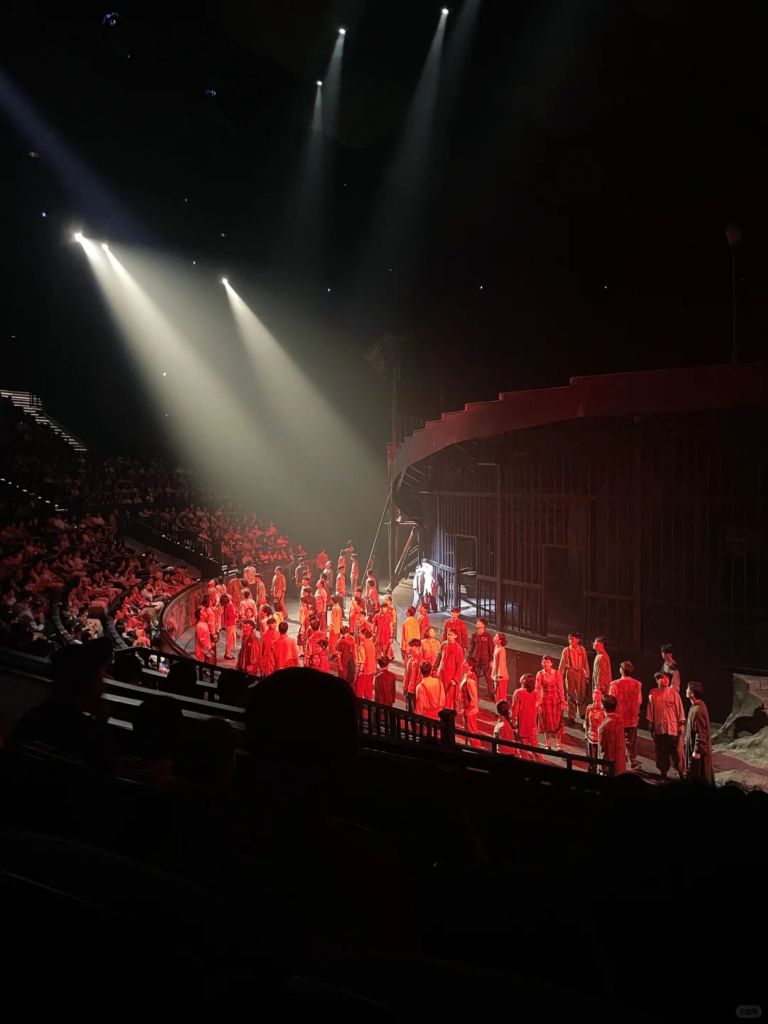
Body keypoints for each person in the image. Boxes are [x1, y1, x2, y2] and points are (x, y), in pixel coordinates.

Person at [11, 639, 114, 768]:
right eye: (99, 676)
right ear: (88, 682)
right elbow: (104, 771)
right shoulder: (89, 735)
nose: (103, 685)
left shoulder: (33, 716)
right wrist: (101, 723)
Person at [647, 670, 686, 780]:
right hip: (660, 729)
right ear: (657, 680)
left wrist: (681, 724)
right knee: (661, 753)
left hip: (673, 729)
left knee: (677, 753)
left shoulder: (674, 693)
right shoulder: (652, 693)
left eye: (667, 678)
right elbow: (650, 709)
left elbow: (680, 710)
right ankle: (663, 773)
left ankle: (682, 773)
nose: (666, 680)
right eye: (663, 678)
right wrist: (650, 723)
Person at [610, 660, 643, 771]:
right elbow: (639, 701)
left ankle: (616, 762)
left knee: (617, 741)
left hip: (618, 717)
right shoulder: (637, 684)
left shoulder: (614, 684)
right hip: (632, 717)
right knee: (631, 742)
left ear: (621, 670)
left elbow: (611, 702)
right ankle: (632, 762)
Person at [684, 681, 715, 784]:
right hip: (693, 746)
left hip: (698, 751)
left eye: (688, 689)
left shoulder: (698, 710)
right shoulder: (696, 706)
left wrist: (696, 752)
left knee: (698, 777)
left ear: (692, 693)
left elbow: (701, 733)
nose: (686, 690)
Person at [536, 655, 566, 751]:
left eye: (548, 662)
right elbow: (538, 690)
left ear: (551, 663)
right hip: (545, 700)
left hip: (556, 700)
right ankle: (548, 743)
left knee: (558, 722)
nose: (546, 664)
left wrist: (563, 701)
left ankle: (559, 744)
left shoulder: (557, 674)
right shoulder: (540, 674)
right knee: (546, 722)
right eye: (544, 662)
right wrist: (538, 704)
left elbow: (561, 688)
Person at [559, 632, 590, 721]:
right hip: (571, 672)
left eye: (572, 639)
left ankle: (582, 712)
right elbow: (562, 664)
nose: (570, 641)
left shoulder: (582, 649)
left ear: (577, 640)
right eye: (569, 639)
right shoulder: (566, 650)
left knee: (581, 693)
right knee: (570, 694)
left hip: (580, 672)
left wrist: (587, 675)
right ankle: (571, 715)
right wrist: (559, 676)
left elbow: (585, 663)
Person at [510, 673, 540, 760]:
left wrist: (513, 723)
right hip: (532, 725)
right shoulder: (535, 693)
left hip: (523, 726)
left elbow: (515, 710)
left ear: (524, 680)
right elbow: (537, 708)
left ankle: (526, 766)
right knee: (536, 749)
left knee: (523, 751)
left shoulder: (518, 693)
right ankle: (540, 763)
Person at [597, 693, 626, 776]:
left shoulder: (606, 725)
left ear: (603, 706)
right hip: (620, 763)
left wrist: (603, 768)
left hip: (610, 768)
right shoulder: (618, 720)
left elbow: (606, 749)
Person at [437, 627, 464, 713]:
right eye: (448, 634)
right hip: (441, 674)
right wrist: (434, 670)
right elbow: (438, 658)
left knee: (449, 697)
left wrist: (455, 679)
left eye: (451, 635)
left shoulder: (458, 649)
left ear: (455, 636)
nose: (449, 636)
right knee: (440, 693)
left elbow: (460, 665)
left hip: (450, 676)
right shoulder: (443, 644)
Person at [468, 618, 495, 698]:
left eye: (479, 622)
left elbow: (491, 649)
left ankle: (491, 693)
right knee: (475, 677)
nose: (477, 623)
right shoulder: (474, 635)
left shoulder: (488, 636)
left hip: (485, 660)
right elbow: (471, 648)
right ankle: (475, 692)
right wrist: (468, 658)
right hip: (475, 660)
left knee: (488, 677)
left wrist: (491, 660)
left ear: (483, 625)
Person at [583, 685, 606, 773]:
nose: (595, 695)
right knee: (591, 758)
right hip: (590, 736)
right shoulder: (589, 708)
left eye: (597, 693)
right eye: (594, 693)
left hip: (599, 737)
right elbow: (586, 722)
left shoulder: (603, 709)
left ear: (601, 695)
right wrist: (586, 734)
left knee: (598, 758)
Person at [459, 658, 480, 746]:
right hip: (467, 710)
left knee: (472, 733)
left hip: (470, 711)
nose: (463, 663)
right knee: (469, 732)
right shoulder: (467, 676)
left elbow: (474, 700)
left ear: (470, 667)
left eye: (466, 663)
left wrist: (467, 711)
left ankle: (476, 749)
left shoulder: (470, 681)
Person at [354, 626, 376, 699]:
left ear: (363, 635)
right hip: (371, 669)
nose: (358, 635)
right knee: (368, 690)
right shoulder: (371, 642)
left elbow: (362, 660)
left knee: (359, 690)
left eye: (360, 633)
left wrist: (360, 670)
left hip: (365, 670)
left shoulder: (362, 645)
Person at [402, 638, 423, 712]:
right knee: (408, 709)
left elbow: (419, 677)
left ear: (417, 647)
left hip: (414, 690)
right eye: (410, 646)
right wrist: (405, 687)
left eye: (412, 646)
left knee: (415, 710)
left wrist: (416, 690)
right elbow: (407, 674)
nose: (410, 648)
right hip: (409, 688)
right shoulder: (411, 658)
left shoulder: (420, 660)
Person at [491, 632, 509, 703]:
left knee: (501, 696)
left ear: (500, 640)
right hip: (496, 675)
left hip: (501, 676)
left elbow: (502, 663)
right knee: (496, 694)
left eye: (496, 637)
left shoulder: (501, 650)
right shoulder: (496, 647)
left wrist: (500, 676)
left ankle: (502, 709)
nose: (494, 638)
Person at [221, 593, 237, 660]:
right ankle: (228, 654)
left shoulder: (229, 604)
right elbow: (230, 616)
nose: (229, 594)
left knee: (230, 638)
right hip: (230, 624)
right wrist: (237, 615)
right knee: (230, 639)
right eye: (228, 595)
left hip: (230, 623)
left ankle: (228, 653)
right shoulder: (229, 605)